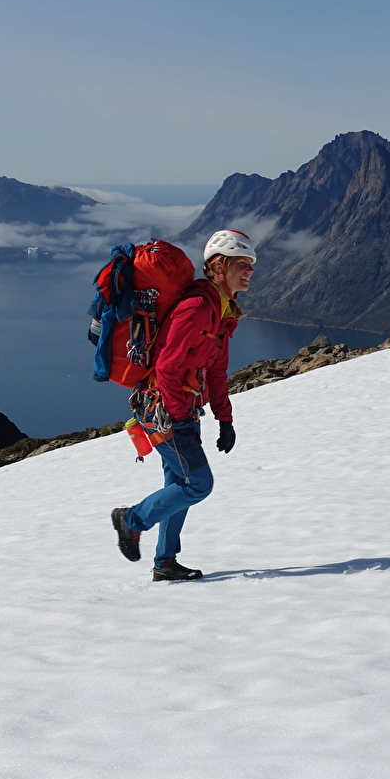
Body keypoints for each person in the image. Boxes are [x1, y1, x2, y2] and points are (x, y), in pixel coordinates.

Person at [111, 229, 256, 580]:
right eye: (242, 264)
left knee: (178, 485)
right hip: (163, 410)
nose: (250, 271)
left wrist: (225, 419)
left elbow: (217, 370)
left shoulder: (223, 312)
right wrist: (177, 417)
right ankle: (130, 519)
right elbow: (167, 366)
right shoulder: (197, 307)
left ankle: (165, 563)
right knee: (197, 484)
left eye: (251, 265)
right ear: (218, 266)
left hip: (181, 410)